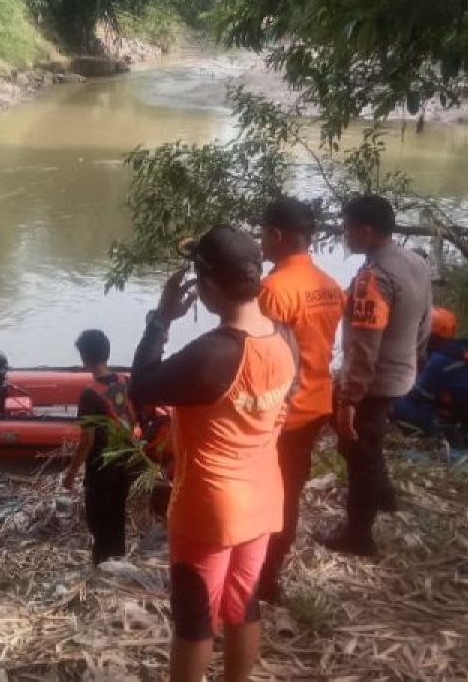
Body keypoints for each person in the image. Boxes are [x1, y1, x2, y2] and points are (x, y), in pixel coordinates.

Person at [130, 225, 298, 682]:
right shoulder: (285, 337)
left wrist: (160, 320)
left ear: (204, 287)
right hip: (263, 494)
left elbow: (141, 387)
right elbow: (284, 407)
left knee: (194, 618)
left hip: (209, 505)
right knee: (243, 604)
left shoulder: (212, 354)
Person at [316, 194, 432, 557]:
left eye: (347, 227)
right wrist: (412, 360)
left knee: (358, 452)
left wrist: (348, 399)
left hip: (375, 381)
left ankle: (358, 535)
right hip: (402, 372)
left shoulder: (374, 278)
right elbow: (426, 321)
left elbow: (365, 348)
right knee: (371, 440)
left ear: (365, 231)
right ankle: (385, 499)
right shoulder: (415, 261)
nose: (344, 234)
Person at [254, 198, 345, 603]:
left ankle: (258, 578)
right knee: (290, 493)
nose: (260, 242)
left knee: (265, 496)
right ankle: (271, 576)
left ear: (276, 235)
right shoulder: (329, 286)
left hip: (280, 413)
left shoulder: (273, 290)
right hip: (316, 405)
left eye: (262, 234)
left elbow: (262, 359)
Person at [62, 329, 138, 564]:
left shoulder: (89, 395)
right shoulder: (124, 382)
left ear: (84, 358)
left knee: (98, 522)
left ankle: (101, 565)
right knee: (117, 517)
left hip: (101, 468)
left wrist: (71, 472)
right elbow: (131, 419)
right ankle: (117, 560)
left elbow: (87, 440)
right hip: (123, 462)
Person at [391, 306, 468, 446]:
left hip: (460, 421)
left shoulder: (438, 361)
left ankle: (444, 432)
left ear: (433, 334)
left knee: (397, 402)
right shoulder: (466, 349)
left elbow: (417, 396)